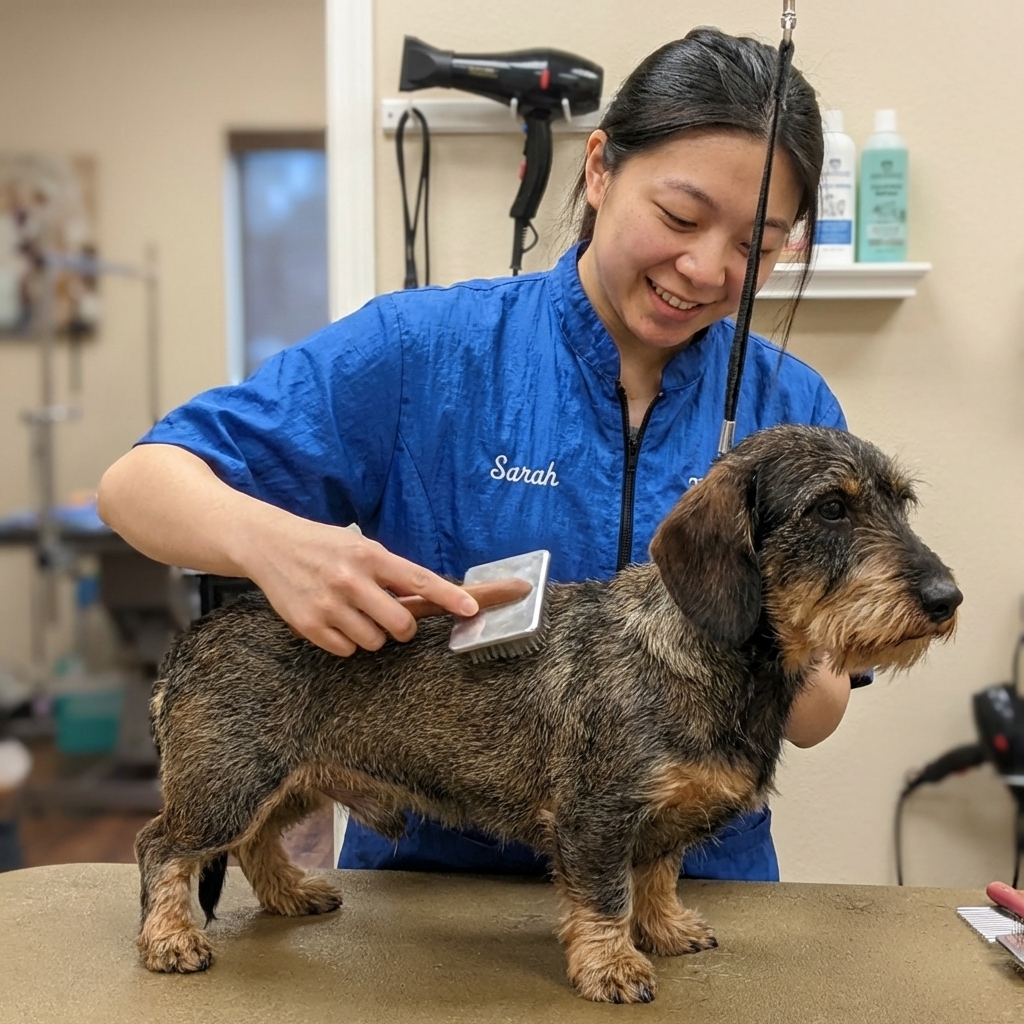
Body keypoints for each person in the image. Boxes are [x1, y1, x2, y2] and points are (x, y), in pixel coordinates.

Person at [98, 28, 859, 882]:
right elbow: (138, 485)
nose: (706, 267)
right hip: (433, 902)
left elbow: (811, 719)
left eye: (757, 245)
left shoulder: (790, 414)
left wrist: (801, 640)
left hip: (687, 896)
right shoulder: (424, 349)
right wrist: (279, 547)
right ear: (601, 168)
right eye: (680, 217)